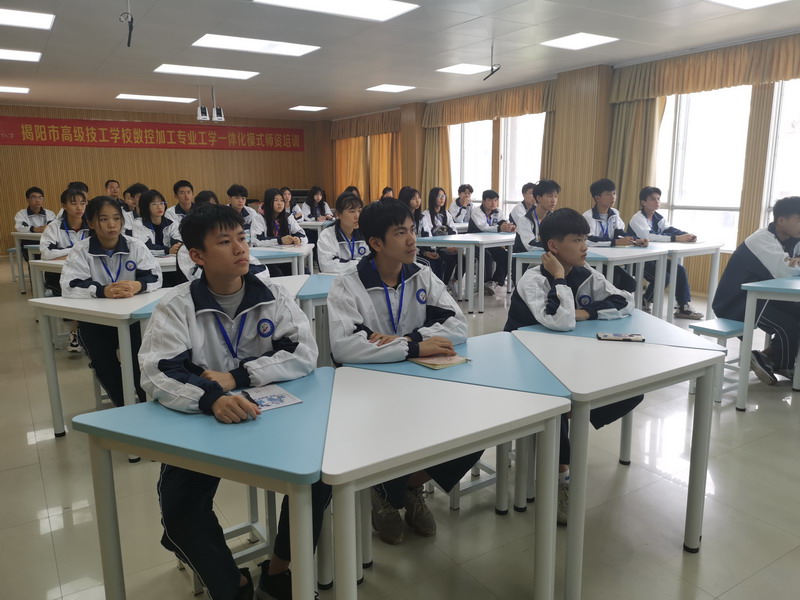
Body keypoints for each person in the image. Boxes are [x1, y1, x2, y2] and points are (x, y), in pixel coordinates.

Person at [138, 203, 328, 600]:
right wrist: (210, 399)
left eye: (242, 238)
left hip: (273, 415)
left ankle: (279, 570)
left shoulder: (271, 294)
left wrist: (238, 378)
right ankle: (233, 585)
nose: (241, 248)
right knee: (179, 509)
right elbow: (157, 373)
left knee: (318, 478)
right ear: (198, 255)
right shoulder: (177, 305)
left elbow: (304, 353)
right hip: (206, 421)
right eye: (225, 242)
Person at [326, 197, 481, 545]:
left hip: (420, 379)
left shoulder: (421, 273)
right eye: (400, 233)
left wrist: (408, 339)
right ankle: (385, 492)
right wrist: (414, 347)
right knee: (390, 431)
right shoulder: (347, 284)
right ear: (376, 243)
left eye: (412, 230)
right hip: (366, 390)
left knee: (475, 431)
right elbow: (345, 347)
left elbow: (459, 326)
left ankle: (405, 487)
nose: (412, 239)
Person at [504, 207, 643, 525]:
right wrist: (559, 278)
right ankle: (559, 476)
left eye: (585, 239)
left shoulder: (585, 273)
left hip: (566, 357)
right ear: (553, 246)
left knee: (631, 391)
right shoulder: (533, 279)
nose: (585, 247)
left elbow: (625, 301)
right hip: (524, 362)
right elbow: (560, 319)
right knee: (557, 403)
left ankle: (569, 414)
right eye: (577, 240)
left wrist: (588, 313)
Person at [60, 196, 162, 407]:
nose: (112, 224)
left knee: (140, 359)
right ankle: (123, 406)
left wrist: (138, 285)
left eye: (116, 218)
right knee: (103, 362)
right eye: (104, 219)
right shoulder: (81, 250)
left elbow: (154, 276)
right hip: (97, 321)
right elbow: (69, 285)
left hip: (133, 320)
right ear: (91, 223)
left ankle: (146, 404)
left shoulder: (135, 246)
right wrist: (101, 290)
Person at [713, 196, 800, 385]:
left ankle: (764, 357)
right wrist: (793, 264)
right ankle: (781, 365)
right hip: (739, 300)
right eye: (799, 220)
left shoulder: (791, 238)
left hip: (766, 296)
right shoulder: (762, 239)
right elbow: (785, 270)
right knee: (789, 326)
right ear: (781, 220)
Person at [627, 186, 702, 319]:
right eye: (652, 199)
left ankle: (683, 307)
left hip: (654, 257)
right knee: (663, 276)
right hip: (636, 259)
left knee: (679, 270)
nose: (657, 202)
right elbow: (649, 236)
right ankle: (645, 301)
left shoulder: (658, 218)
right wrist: (676, 238)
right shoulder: (637, 219)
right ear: (643, 202)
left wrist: (686, 235)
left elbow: (669, 229)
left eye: (658, 199)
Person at [40, 188, 90, 351]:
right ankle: (76, 332)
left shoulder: (91, 225)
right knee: (77, 290)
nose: (79, 207)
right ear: (64, 206)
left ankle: (80, 332)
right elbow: (46, 254)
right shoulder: (54, 227)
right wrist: (76, 251)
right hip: (58, 276)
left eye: (82, 203)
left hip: (89, 272)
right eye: (74, 203)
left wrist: (64, 254)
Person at [582, 178, 643, 293]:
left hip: (609, 258)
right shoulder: (588, 216)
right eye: (608, 194)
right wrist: (615, 242)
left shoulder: (614, 213)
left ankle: (617, 302)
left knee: (630, 284)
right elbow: (589, 240)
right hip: (592, 260)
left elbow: (620, 233)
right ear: (597, 198)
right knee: (614, 279)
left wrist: (636, 240)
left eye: (614, 193)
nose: (613, 197)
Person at [467, 189, 516, 295]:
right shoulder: (476, 211)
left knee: (505, 256)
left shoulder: (497, 211)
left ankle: (494, 282)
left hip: (490, 243)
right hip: (474, 243)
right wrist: (500, 228)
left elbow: (503, 221)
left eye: (496, 200)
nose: (493, 203)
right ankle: (485, 282)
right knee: (487, 256)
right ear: (483, 201)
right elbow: (483, 227)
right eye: (490, 200)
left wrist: (509, 227)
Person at [397, 186, 444, 279]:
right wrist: (423, 252)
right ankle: (427, 286)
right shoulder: (401, 219)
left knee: (440, 260)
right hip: (412, 252)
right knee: (428, 263)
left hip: (422, 250)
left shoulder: (421, 217)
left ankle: (440, 286)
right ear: (406, 200)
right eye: (413, 198)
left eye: (419, 197)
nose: (417, 201)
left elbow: (428, 235)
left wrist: (432, 251)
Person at [317, 192, 368, 274]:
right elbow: (327, 266)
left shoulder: (366, 232)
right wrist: (359, 264)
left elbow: (374, 261)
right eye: (352, 211)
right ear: (338, 215)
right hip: (336, 280)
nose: (357, 216)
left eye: (359, 211)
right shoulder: (327, 235)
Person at [420, 187, 459, 291]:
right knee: (450, 261)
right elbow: (428, 236)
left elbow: (454, 230)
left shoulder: (446, 213)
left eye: (443, 196)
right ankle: (442, 286)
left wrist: (453, 244)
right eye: (439, 196)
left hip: (447, 246)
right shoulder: (426, 215)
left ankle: (452, 281)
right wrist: (444, 246)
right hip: (436, 247)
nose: (442, 199)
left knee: (463, 259)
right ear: (433, 198)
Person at [260, 187, 307, 277]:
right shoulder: (259, 218)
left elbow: (302, 234)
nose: (280, 203)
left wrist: (298, 239)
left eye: (282, 200)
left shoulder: (288, 217)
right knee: (278, 274)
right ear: (268, 202)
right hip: (267, 259)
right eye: (276, 200)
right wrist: (280, 240)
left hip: (286, 257)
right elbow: (257, 240)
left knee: (304, 272)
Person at [511, 180, 560, 252]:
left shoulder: (554, 219)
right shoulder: (524, 221)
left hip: (545, 257)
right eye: (549, 196)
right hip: (525, 258)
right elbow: (531, 245)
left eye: (555, 196)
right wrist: (557, 247)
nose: (553, 200)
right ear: (538, 198)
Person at [133, 189, 181, 256]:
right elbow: (144, 247)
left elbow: (178, 241)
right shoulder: (139, 224)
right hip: (148, 260)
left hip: (170, 260)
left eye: (162, 203)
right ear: (146, 206)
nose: (159, 207)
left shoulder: (172, 224)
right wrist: (168, 251)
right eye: (154, 204)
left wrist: (177, 247)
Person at [15, 186, 56, 260]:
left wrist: (47, 228)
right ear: (27, 199)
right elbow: (19, 227)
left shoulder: (50, 213)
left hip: (47, 241)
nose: (38, 200)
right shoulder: (21, 214)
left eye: (40, 197)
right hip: (29, 242)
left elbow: (53, 225)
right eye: (34, 197)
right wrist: (33, 229)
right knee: (34, 261)